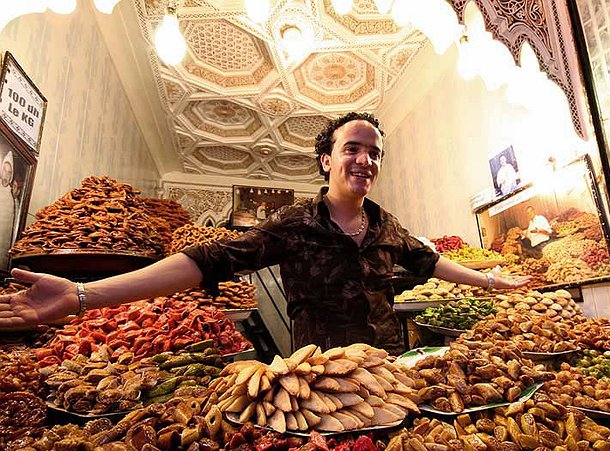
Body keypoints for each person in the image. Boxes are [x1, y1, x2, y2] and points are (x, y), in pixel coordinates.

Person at [0, 113, 530, 353]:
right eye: (352, 148)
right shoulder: (294, 224)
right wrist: (84, 295)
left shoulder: (387, 223)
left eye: (375, 152)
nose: (365, 159)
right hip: (320, 374)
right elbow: (205, 261)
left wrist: (494, 284)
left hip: (389, 367)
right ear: (326, 160)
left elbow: (428, 261)